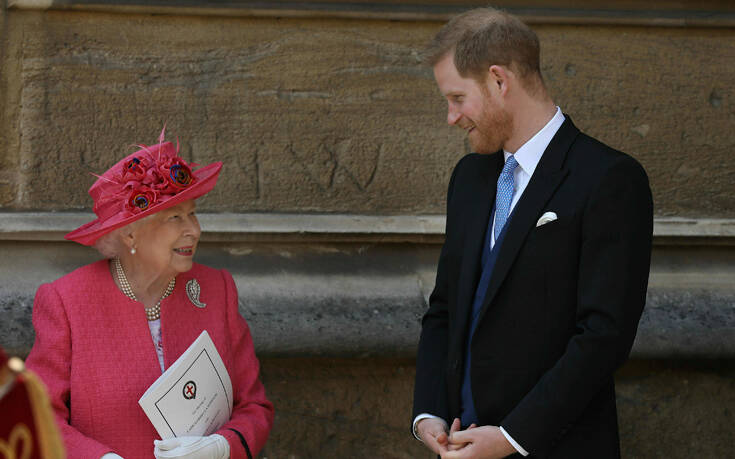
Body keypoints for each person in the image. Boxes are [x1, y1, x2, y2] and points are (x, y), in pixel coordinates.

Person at [412, 8, 653, 458]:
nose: (451, 117)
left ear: (499, 81)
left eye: (458, 98)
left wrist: (512, 437)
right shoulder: (469, 177)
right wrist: (428, 412)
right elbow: (444, 308)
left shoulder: (610, 179)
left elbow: (604, 336)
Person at [25, 130, 274, 459]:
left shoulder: (217, 290)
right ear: (130, 234)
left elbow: (254, 406)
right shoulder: (67, 302)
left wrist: (221, 447)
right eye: (175, 217)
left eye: (193, 213)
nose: (194, 230)